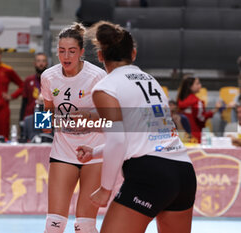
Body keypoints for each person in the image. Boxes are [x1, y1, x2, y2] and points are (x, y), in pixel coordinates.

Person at [76, 21, 196, 233]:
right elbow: (144, 139)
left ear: (101, 56)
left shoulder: (106, 86)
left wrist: (105, 189)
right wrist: (94, 152)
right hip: (183, 172)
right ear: (133, 53)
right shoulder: (152, 82)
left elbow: (118, 140)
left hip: (150, 175)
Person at [41, 23, 107, 233]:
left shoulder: (97, 77)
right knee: (54, 224)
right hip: (63, 151)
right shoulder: (49, 77)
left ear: (81, 52)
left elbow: (111, 117)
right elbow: (48, 108)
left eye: (71, 51)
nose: (66, 56)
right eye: (61, 51)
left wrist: (87, 118)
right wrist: (43, 126)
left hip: (94, 153)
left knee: (85, 225)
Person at [177, 76, 221, 143]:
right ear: (190, 86)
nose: (200, 85)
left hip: (182, 136)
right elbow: (201, 118)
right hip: (195, 137)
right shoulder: (197, 102)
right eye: (197, 84)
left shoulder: (179, 101)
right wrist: (215, 110)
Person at [19, 52, 48, 121]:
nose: (41, 64)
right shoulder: (28, 80)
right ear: (34, 63)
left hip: (46, 116)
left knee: (44, 132)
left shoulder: (52, 81)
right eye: (38, 61)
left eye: (43, 61)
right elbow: (24, 102)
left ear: (47, 63)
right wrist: (21, 121)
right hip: (30, 116)